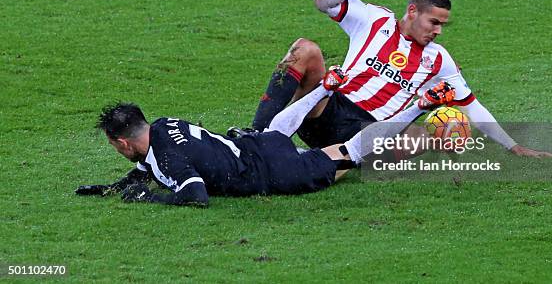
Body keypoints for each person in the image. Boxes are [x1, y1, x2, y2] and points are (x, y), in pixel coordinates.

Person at [251, 0, 552, 158]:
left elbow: (471, 107)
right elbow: (322, 1)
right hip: (326, 110)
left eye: (442, 25)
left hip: (368, 133)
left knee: (431, 136)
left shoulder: (438, 60)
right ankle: (255, 137)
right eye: (434, 22)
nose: (437, 31)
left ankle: (328, 158)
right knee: (305, 49)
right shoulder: (374, 19)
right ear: (412, 11)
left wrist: (513, 147)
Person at [75, 74, 456, 207]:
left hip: (274, 172)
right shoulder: (160, 126)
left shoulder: (168, 160)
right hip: (255, 143)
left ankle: (418, 107)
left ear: (122, 143)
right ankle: (325, 88)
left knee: (351, 153)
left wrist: (151, 198)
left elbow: (195, 196)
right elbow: (146, 166)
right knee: (278, 127)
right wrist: (111, 189)